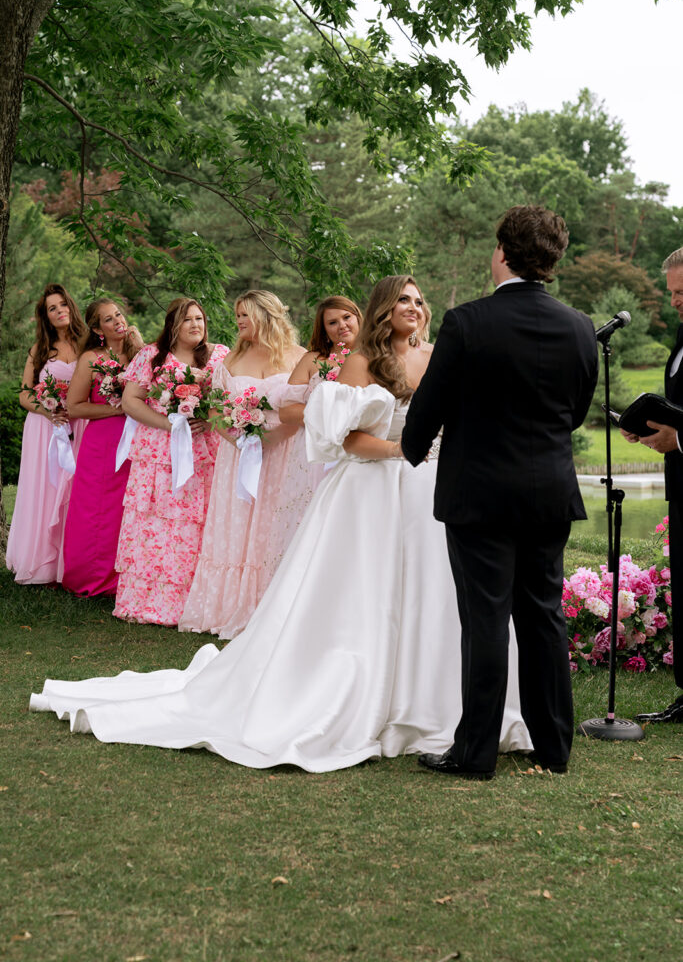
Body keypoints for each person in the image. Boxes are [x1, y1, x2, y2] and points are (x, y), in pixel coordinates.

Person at [30, 275, 531, 773]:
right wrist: (407, 451)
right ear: (382, 308)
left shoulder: (441, 354)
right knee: (370, 596)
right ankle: (364, 693)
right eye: (403, 299)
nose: (414, 308)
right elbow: (346, 439)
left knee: (436, 597)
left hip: (435, 496)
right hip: (377, 489)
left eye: (420, 300)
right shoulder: (360, 363)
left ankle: (440, 702)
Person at [402, 206, 599, 779]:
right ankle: (555, 746)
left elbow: (429, 409)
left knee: (486, 619)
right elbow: (576, 412)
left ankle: (476, 752)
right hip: (548, 493)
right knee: (543, 616)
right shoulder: (579, 327)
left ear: (503, 253)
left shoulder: (468, 322)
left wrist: (412, 448)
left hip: (480, 494)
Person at [178, 290, 306, 639]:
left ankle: (276, 606)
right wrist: (243, 441)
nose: (238, 322)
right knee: (238, 525)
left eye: (245, 315)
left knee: (275, 524)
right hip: (238, 457)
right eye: (237, 315)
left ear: (266, 316)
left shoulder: (300, 358)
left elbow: (307, 408)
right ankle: (230, 605)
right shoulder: (230, 361)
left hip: (284, 455)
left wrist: (271, 440)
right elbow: (217, 412)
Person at [113, 298, 228, 626]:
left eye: (199, 318)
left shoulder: (220, 356)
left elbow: (229, 398)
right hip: (159, 451)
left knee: (200, 522)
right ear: (172, 325)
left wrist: (209, 419)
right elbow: (130, 400)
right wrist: (169, 424)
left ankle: (198, 603)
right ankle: (151, 604)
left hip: (206, 449)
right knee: (159, 521)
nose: (196, 325)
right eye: (187, 319)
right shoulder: (152, 356)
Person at [623, 247, 683, 723]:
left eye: (682, 292)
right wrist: (648, 429)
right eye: (672, 293)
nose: (675, 302)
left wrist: (679, 437)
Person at [266, 295, 363, 576]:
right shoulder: (313, 360)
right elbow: (286, 411)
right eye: (332, 322)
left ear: (358, 317)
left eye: (347, 317)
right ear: (324, 330)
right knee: (309, 521)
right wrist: (326, 411)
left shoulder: (376, 356)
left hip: (356, 450)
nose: (341, 325)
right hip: (312, 457)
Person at [61, 299, 144, 597]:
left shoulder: (139, 352)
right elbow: (74, 406)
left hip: (138, 441)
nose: (117, 321)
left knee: (128, 508)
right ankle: (92, 576)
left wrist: (140, 345)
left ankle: (128, 574)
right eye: (108, 320)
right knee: (97, 509)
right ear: (97, 329)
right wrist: (118, 409)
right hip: (103, 441)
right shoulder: (91, 359)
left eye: (119, 314)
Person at [6, 284, 87, 584]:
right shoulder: (39, 350)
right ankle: (42, 562)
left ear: (70, 306)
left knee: (73, 491)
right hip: (44, 429)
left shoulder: (87, 345)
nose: (59, 310)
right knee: (45, 490)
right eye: (52, 308)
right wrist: (47, 410)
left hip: (78, 426)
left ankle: (71, 561)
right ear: (46, 316)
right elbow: (24, 395)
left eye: (62, 304)